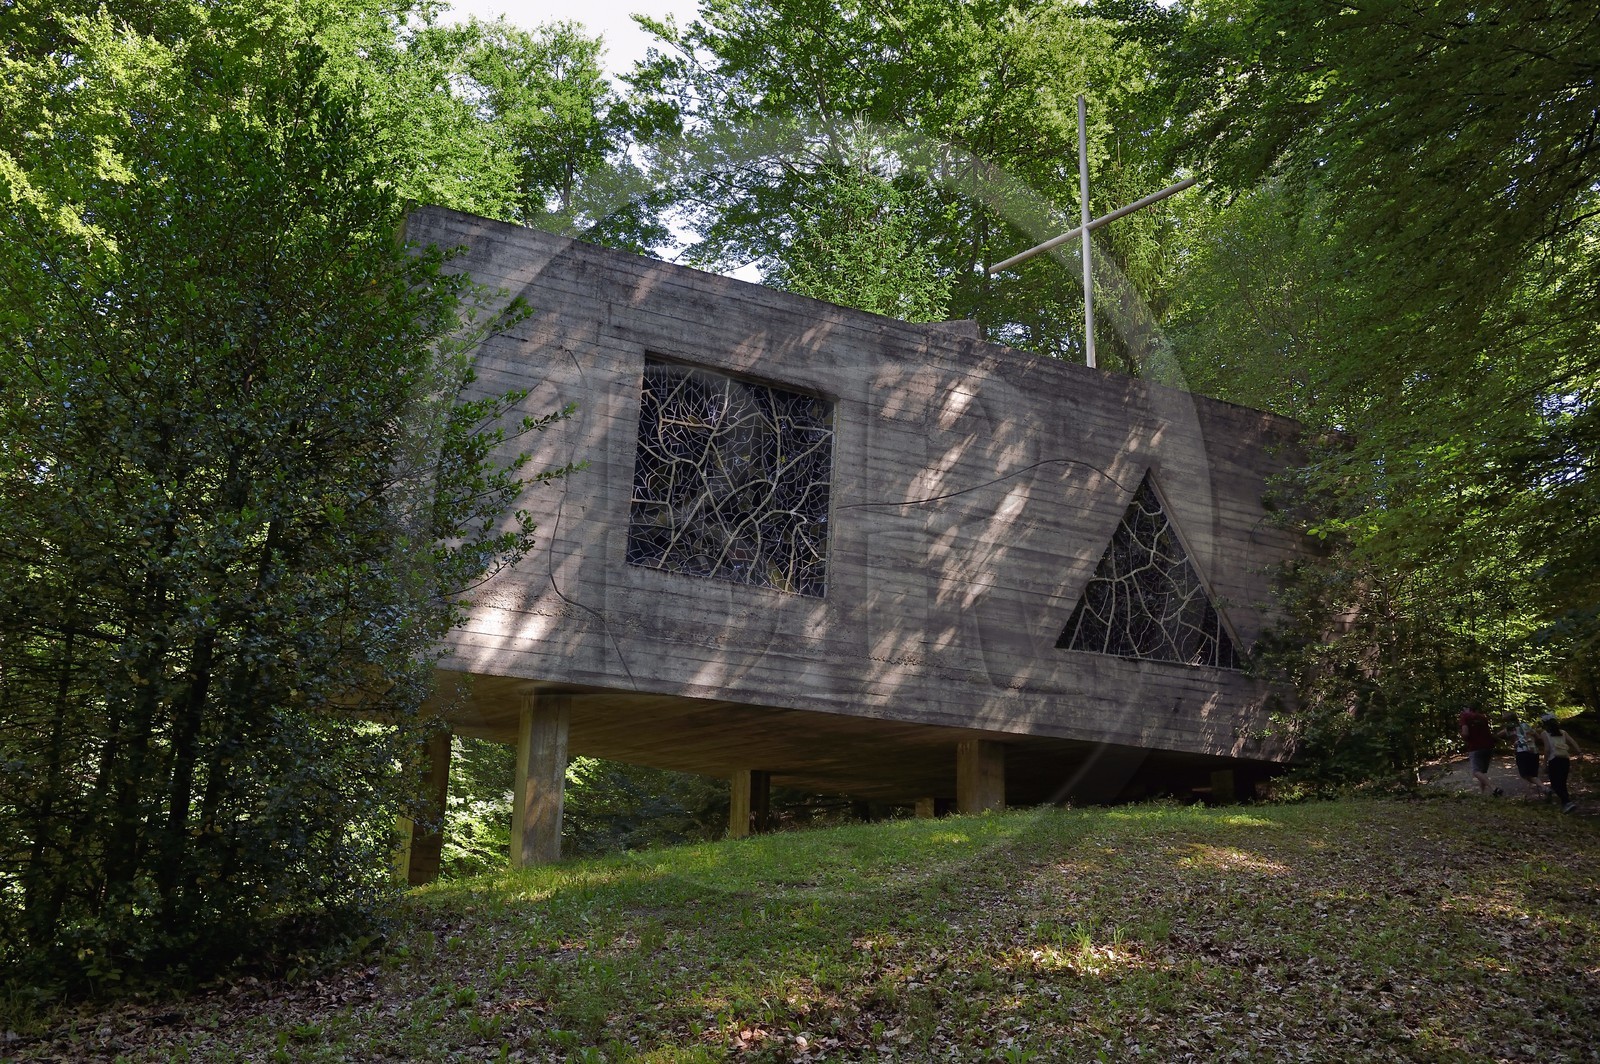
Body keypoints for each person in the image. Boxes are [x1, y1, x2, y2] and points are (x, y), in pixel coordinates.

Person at [1539, 714, 1582, 814]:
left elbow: (1547, 750)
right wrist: (1579, 752)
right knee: (1562, 783)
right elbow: (1573, 742)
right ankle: (1565, 804)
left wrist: (1544, 764)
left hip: (1554, 760)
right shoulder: (1563, 732)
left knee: (1555, 784)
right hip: (1565, 759)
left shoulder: (1545, 734)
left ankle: (1567, 802)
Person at [1459, 702, 1497, 795]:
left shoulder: (1465, 716)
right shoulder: (1483, 717)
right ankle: (1482, 793)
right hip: (1488, 746)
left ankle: (1494, 788)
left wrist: (1462, 736)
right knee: (1482, 772)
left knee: (1476, 772)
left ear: (1468, 709)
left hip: (1475, 747)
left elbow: (1465, 733)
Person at [1506, 715, 1544, 798]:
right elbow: (1538, 737)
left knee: (1525, 775)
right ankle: (1529, 795)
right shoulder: (1525, 725)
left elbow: (1514, 743)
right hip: (1534, 751)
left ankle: (1544, 788)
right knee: (1534, 774)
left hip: (1522, 752)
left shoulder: (1509, 730)